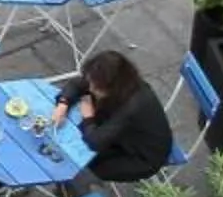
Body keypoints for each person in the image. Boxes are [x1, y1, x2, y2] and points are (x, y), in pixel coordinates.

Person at [49, 50, 173, 189]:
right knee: (75, 146)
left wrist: (88, 117)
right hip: (121, 135)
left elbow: (95, 141)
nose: (91, 88)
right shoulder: (122, 84)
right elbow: (77, 84)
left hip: (141, 157)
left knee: (83, 164)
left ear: (112, 86)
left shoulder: (132, 106)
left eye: (96, 87)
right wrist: (63, 103)